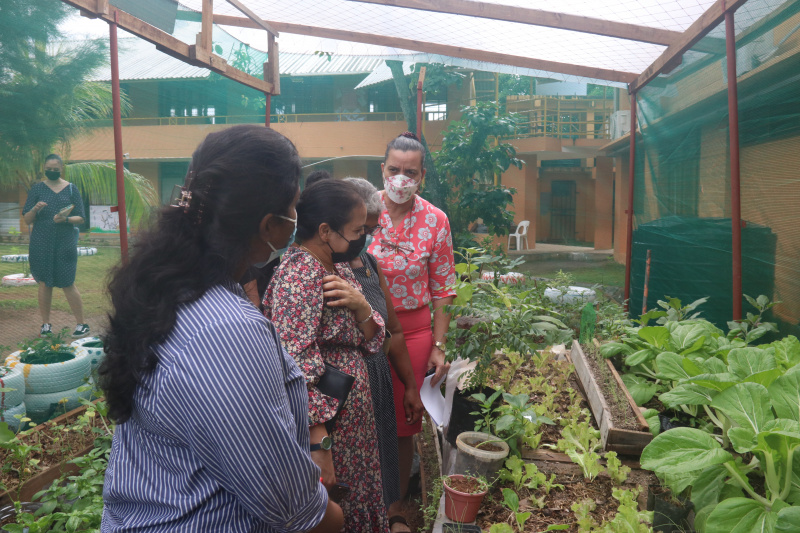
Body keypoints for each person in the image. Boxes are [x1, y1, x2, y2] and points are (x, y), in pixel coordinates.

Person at [99, 125, 343, 533]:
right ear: (270, 226)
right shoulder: (225, 333)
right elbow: (291, 508)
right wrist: (338, 519)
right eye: (296, 205)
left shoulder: (169, 286)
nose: (297, 218)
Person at [263, 180, 389, 533]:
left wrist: (363, 306)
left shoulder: (338, 265)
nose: (362, 237)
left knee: (359, 498)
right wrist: (321, 445)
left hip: (352, 425)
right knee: (337, 505)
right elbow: (294, 367)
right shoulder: (299, 276)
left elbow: (373, 339)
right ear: (324, 230)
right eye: (356, 230)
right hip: (330, 430)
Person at [367, 132, 457, 507]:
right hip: (365, 331)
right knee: (362, 419)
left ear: (422, 176)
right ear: (382, 169)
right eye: (393, 170)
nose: (400, 179)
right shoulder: (361, 211)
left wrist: (438, 346)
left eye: (410, 172)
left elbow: (444, 290)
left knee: (405, 425)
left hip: (416, 332)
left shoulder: (435, 220)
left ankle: (396, 505)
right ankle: (363, 500)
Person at [343, 177, 424, 532]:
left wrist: (409, 385)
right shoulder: (327, 271)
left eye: (372, 230)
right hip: (346, 395)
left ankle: (390, 515)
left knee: (385, 454)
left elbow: (395, 331)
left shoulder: (370, 266)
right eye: (362, 230)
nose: (367, 239)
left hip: (377, 385)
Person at [22, 154, 89, 337]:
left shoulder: (71, 189)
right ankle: (46, 325)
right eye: (48, 169)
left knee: (68, 282)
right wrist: (35, 209)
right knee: (44, 283)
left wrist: (65, 219)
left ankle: (82, 324)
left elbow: (81, 218)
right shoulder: (37, 189)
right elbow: (27, 219)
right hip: (41, 241)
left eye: (55, 169)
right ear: (44, 168)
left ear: (61, 169)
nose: (51, 171)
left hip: (64, 242)